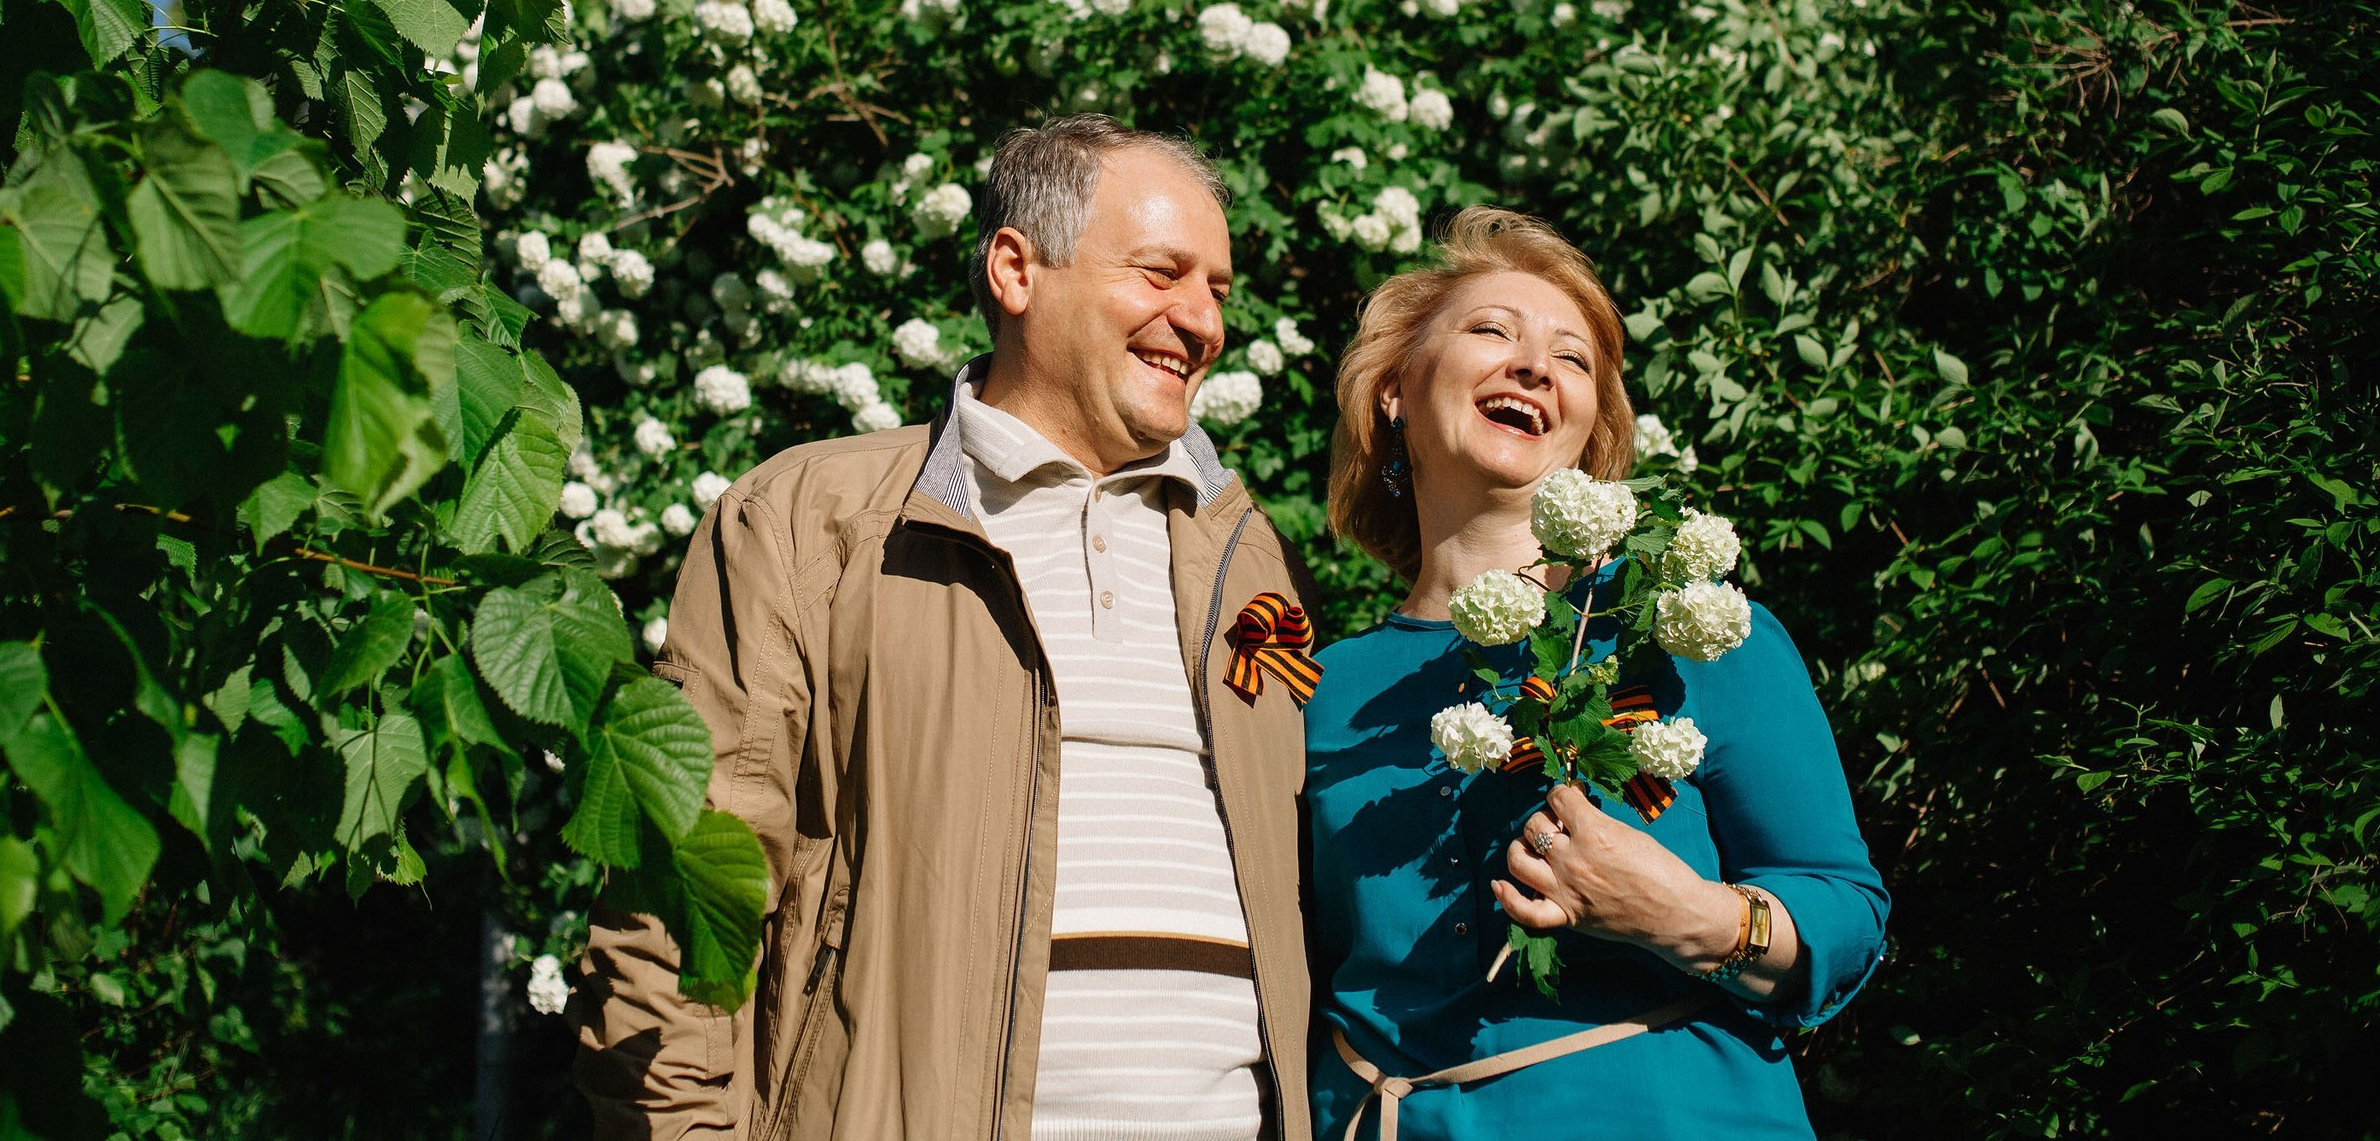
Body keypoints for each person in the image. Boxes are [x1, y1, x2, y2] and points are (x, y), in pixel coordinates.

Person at [573, 115, 1325, 1141]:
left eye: (1219, 291)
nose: (1201, 320)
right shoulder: (809, 522)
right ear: (1016, 270)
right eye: (1162, 273)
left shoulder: (1250, 560)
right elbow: (684, 887)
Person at [1302, 208, 1889, 1140]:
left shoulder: (1686, 628)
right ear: (1395, 390)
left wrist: (1688, 915)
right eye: (1491, 330)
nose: (1534, 367)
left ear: (1587, 435)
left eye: (1571, 359)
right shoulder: (1319, 691)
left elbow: (1846, 911)